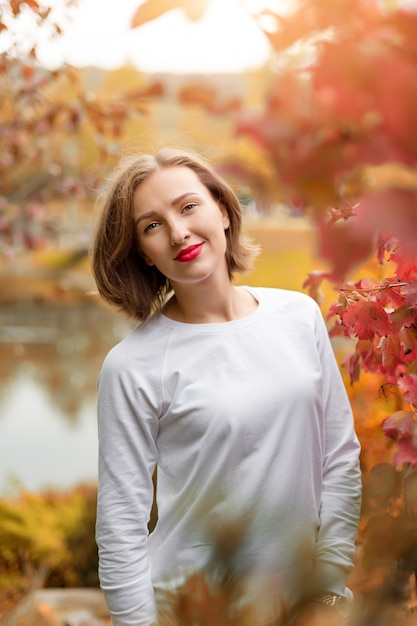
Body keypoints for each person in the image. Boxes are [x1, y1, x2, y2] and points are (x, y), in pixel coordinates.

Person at [91, 147, 362, 626]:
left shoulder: (299, 315)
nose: (178, 232)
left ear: (222, 208)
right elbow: (121, 530)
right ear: (142, 254)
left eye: (188, 206)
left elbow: (338, 458)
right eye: (151, 226)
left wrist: (329, 586)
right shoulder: (132, 367)